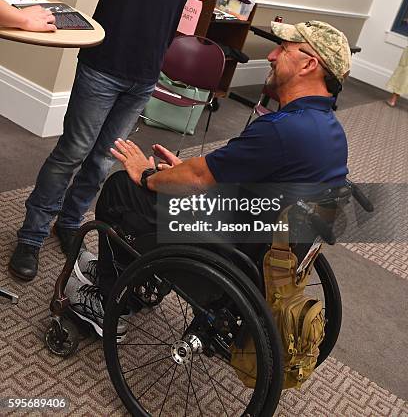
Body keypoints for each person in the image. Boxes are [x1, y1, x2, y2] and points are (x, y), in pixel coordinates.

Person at [2, 0, 230, 281]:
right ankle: (31, 235)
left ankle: (70, 223)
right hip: (104, 63)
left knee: (104, 160)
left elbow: (200, 0)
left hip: (146, 72)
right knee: (72, 151)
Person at [65, 20, 352, 339]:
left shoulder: (283, 130)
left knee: (122, 188)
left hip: (229, 255)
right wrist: (184, 177)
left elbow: (202, 178)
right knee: (175, 183)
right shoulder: (331, 132)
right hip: (266, 250)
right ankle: (126, 275)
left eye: (283, 49)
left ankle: (109, 301)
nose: (271, 55)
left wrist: (149, 176)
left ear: (309, 63)